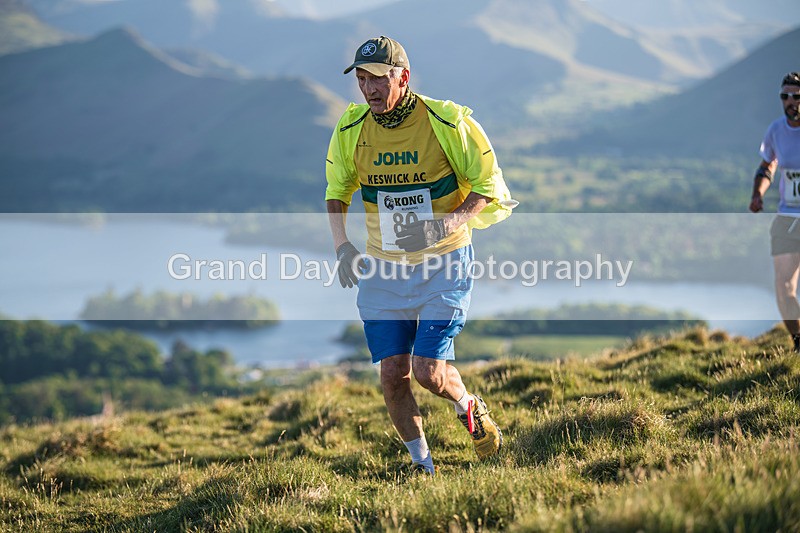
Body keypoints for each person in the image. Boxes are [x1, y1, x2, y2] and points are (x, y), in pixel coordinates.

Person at [325, 36, 516, 474]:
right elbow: (337, 192)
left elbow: (489, 188)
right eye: (360, 79)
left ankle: (468, 406)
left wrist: (447, 222)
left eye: (377, 78)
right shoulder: (351, 129)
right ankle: (423, 466)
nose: (368, 88)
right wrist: (341, 246)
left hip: (445, 263)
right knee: (393, 374)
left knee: (429, 372)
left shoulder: (447, 123)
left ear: (402, 77)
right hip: (384, 270)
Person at [750, 71, 800, 352]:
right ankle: (798, 340)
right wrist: (758, 193)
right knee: (783, 288)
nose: (790, 102)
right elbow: (767, 165)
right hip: (787, 218)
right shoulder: (776, 130)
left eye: (796, 96)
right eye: (785, 96)